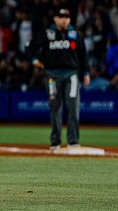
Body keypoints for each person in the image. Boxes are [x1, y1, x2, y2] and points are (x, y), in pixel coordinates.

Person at [26, 8, 90, 151]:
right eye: (61, 17)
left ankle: (73, 141)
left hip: (71, 75)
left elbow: (83, 55)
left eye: (67, 17)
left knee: (73, 107)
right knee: (55, 108)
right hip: (52, 75)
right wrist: (34, 60)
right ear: (55, 18)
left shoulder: (75, 35)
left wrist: (86, 73)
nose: (64, 20)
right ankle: (55, 141)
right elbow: (29, 47)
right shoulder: (47, 34)